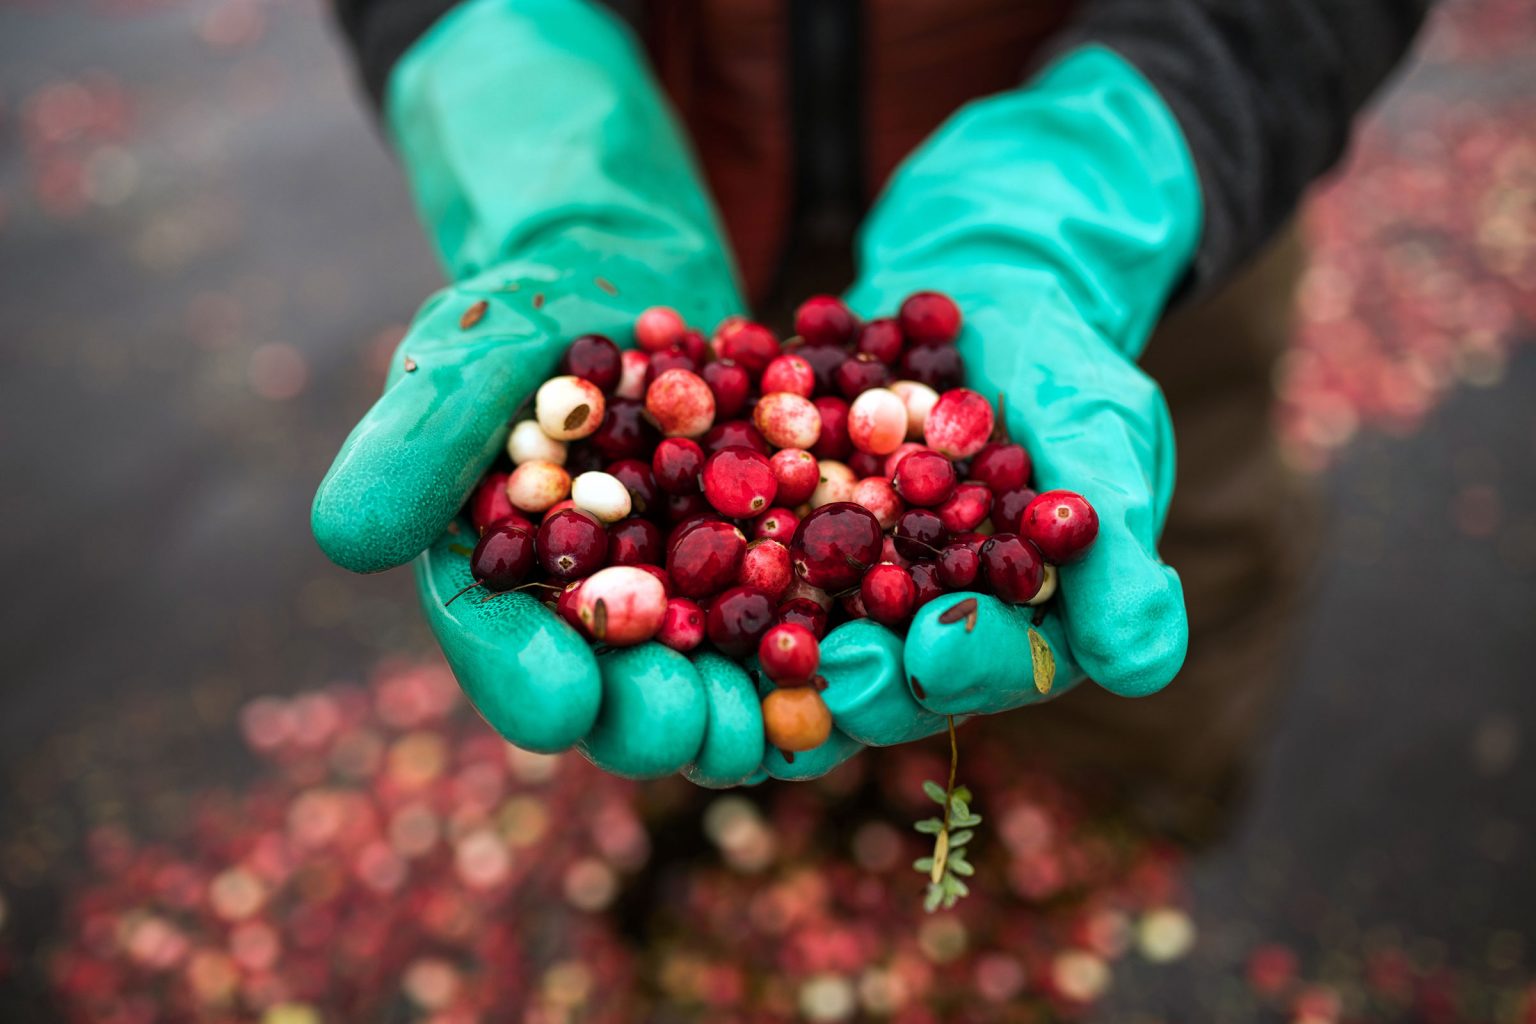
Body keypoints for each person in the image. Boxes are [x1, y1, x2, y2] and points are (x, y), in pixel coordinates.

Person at [313, 0, 1434, 839]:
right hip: (680, 172)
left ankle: (1128, 819)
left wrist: (1115, 152)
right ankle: (736, 845)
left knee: (1135, 613)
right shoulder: (701, 467)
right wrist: (524, 87)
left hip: (1109, 261)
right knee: (682, 737)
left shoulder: (912, 455)